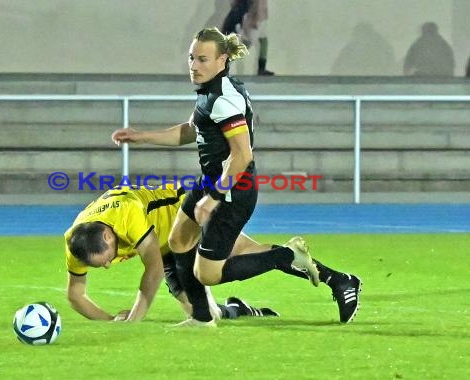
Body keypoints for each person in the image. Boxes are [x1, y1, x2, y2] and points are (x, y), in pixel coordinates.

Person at [111, 27, 361, 327]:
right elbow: (192, 130)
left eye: (202, 59)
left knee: (208, 273)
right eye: (191, 58)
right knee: (178, 240)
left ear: (222, 60)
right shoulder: (213, 92)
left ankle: (287, 255)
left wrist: (213, 199)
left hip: (231, 191)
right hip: (211, 182)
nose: (194, 65)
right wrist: (141, 137)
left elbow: (242, 156)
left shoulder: (223, 99)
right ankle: (203, 318)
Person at [65, 185, 279, 323]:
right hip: (164, 245)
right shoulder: (76, 242)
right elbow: (75, 295)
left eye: (107, 258)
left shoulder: (126, 213)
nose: (108, 265)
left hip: (184, 220)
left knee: (235, 257)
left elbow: (154, 267)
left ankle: (288, 256)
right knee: (206, 315)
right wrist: (111, 320)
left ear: (107, 237)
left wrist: (134, 319)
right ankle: (238, 307)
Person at [222, 0, 274, 76]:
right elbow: (255, 5)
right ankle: (224, 64)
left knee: (263, 41)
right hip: (255, 20)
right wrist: (254, 19)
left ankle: (261, 69)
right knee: (246, 45)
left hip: (261, 19)